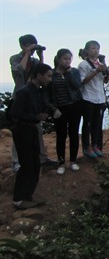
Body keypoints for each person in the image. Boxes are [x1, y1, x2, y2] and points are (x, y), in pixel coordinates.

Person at [8, 63, 53, 209]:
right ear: (39, 75)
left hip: (32, 129)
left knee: (35, 163)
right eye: (48, 76)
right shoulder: (24, 92)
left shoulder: (38, 91)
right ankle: (19, 199)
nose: (49, 79)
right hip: (22, 130)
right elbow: (14, 113)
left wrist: (41, 114)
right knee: (26, 164)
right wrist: (35, 116)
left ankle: (27, 196)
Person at [9, 34, 57, 169]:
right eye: (31, 46)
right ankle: (16, 161)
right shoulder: (15, 58)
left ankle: (42, 157)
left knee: (37, 128)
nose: (34, 50)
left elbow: (41, 71)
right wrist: (27, 53)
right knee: (18, 131)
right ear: (23, 46)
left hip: (33, 97)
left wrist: (40, 56)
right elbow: (19, 70)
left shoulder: (35, 61)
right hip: (20, 96)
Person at [49, 49, 83, 174]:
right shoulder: (52, 74)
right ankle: (61, 162)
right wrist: (53, 109)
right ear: (58, 59)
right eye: (64, 59)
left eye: (69, 59)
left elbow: (76, 86)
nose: (67, 61)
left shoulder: (74, 72)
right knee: (61, 135)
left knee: (74, 133)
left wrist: (68, 74)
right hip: (59, 108)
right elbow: (48, 93)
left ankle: (73, 161)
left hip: (74, 106)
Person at [78, 40, 109, 159]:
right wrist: (96, 71)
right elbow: (82, 81)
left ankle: (96, 146)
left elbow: (104, 81)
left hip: (99, 97)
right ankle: (87, 148)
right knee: (88, 124)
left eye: (97, 48)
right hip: (88, 97)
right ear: (87, 50)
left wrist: (107, 73)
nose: (96, 51)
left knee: (97, 124)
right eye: (93, 48)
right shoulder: (84, 65)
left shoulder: (99, 63)